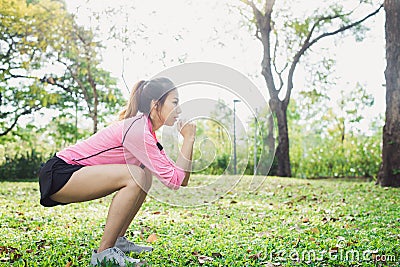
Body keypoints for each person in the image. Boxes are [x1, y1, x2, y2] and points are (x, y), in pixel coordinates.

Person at [38, 77, 196, 266]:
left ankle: (118, 241)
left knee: (144, 173)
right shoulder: (138, 131)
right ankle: (103, 253)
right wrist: (188, 139)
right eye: (175, 102)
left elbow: (180, 179)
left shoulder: (146, 132)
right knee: (136, 175)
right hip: (60, 174)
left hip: (71, 174)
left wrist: (189, 140)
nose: (178, 110)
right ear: (156, 104)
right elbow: (175, 181)